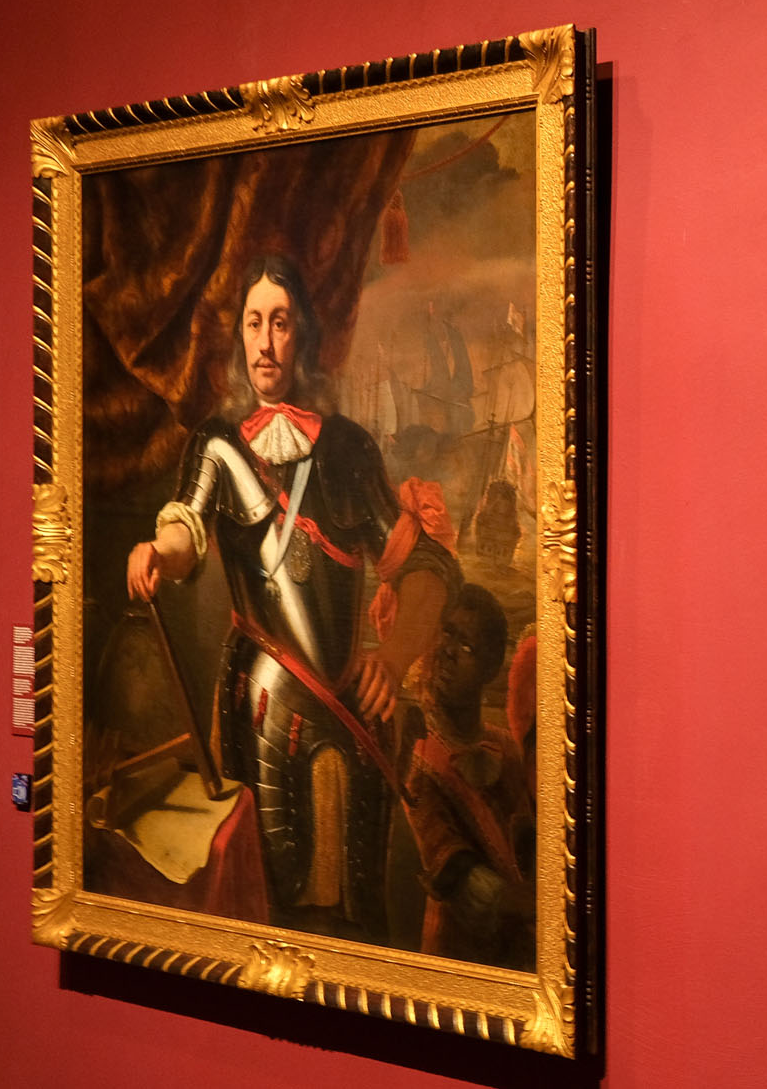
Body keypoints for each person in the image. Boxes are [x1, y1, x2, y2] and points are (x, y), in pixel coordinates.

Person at [126, 254, 459, 943]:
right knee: (269, 905)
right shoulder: (217, 445)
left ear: (301, 333)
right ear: (240, 335)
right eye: (254, 323)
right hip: (261, 705)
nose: (266, 342)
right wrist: (157, 551)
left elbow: (426, 565)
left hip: (352, 709)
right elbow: (186, 528)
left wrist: (394, 658)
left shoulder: (348, 448)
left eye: (279, 322)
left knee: (358, 911)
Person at [404, 584, 535, 966]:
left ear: (489, 670)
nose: (447, 651)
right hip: (455, 956)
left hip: (516, 952)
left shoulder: (505, 748)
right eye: (446, 633)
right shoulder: (416, 752)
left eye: (466, 646)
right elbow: (451, 867)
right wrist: (531, 904)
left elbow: (528, 837)